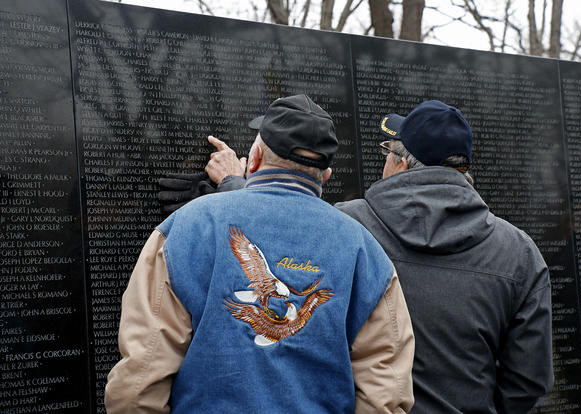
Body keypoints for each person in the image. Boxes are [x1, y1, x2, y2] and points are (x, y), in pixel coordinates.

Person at [195, 99, 554, 413]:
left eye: (386, 152)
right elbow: (527, 380)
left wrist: (233, 183)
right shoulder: (520, 254)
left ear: (399, 163)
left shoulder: (348, 227)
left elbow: (280, 230)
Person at [105, 94, 415, 414]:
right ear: (325, 176)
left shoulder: (184, 230)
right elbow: (386, 394)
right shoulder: (365, 251)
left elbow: (140, 380)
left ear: (253, 158)